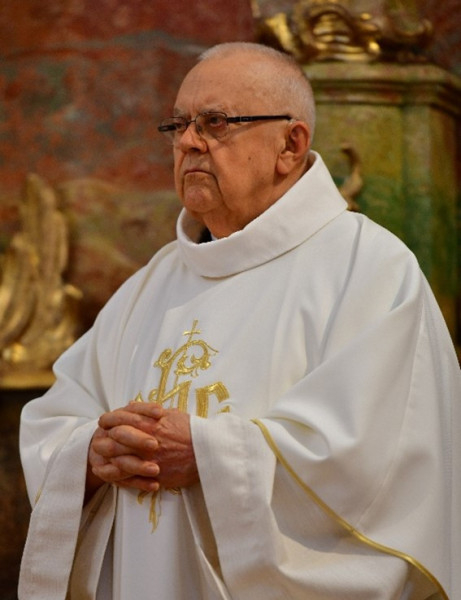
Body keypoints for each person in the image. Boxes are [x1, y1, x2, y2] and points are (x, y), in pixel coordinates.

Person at [18, 42, 460, 600]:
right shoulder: (153, 283)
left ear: (290, 144)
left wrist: (207, 455)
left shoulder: (370, 269)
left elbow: (379, 463)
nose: (188, 142)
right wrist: (91, 454)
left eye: (216, 123)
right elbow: (56, 420)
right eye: (178, 125)